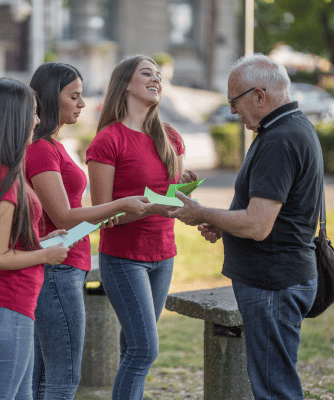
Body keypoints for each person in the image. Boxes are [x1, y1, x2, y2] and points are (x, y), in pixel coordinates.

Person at [169, 54, 323, 400]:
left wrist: (201, 212)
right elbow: (273, 215)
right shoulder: (291, 126)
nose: (233, 112)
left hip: (273, 282)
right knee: (273, 381)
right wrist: (225, 224)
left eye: (233, 101)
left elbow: (257, 225)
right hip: (279, 277)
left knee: (274, 389)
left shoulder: (279, 139)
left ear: (258, 95)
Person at [26, 62, 149, 399]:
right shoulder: (40, 150)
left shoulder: (53, 145)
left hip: (64, 264)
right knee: (62, 380)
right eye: (74, 96)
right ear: (52, 99)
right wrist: (121, 204)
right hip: (58, 269)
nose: (82, 103)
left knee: (42, 378)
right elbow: (64, 217)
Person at [85, 55, 197, 399]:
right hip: (123, 258)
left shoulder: (171, 138)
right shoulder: (107, 141)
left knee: (133, 347)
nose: (156, 80)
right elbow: (101, 215)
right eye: (146, 74)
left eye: (159, 76)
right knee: (145, 349)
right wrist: (155, 207)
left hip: (163, 255)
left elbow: (168, 199)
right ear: (126, 85)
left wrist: (182, 188)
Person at [0, 77, 72, 400]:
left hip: (12, 304)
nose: (38, 121)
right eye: (32, 113)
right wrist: (45, 256)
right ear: (13, 118)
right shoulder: (3, 177)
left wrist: (41, 241)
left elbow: (7, 242)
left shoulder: (3, 170)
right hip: (5, 304)